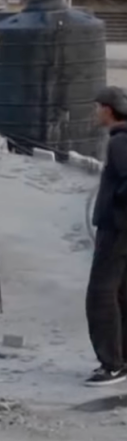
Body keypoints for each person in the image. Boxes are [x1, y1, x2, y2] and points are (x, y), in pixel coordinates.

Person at [84, 87, 127, 386]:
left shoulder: (120, 143)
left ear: (109, 109)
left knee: (100, 294)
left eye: (97, 107)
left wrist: (116, 207)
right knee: (122, 293)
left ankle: (111, 364)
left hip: (116, 229)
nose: (96, 112)